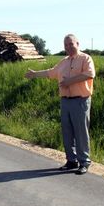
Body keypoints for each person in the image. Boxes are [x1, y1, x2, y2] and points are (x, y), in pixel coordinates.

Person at [25, 34, 95, 175]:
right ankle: (71, 160)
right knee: (67, 131)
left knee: (81, 132)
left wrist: (70, 81)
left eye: (71, 44)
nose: (68, 47)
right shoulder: (63, 62)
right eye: (66, 45)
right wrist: (34, 74)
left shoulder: (85, 58)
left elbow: (90, 74)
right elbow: (51, 72)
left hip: (80, 100)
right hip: (65, 101)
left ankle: (84, 162)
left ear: (77, 43)